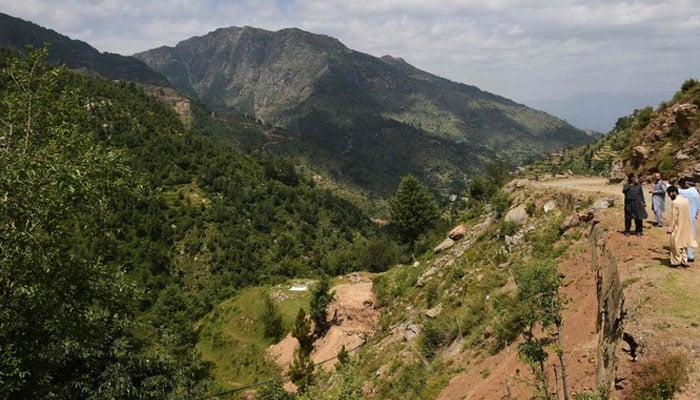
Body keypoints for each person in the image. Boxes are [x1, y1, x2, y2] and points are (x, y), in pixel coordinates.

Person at [666, 185, 697, 267]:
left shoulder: (675, 202)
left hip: (677, 226)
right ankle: (684, 261)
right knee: (684, 244)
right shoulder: (686, 200)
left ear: (673, 193)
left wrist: (670, 228)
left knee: (675, 244)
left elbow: (674, 217)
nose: (669, 196)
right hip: (686, 226)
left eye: (669, 194)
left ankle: (676, 262)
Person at [678, 177, 699, 262]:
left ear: (687, 184)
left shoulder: (688, 192)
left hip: (686, 218)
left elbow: (674, 190)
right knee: (692, 236)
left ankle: (685, 255)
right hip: (693, 217)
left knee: (683, 236)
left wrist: (664, 183)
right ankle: (690, 255)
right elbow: (699, 207)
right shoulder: (696, 193)